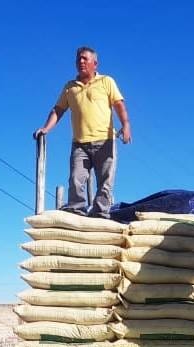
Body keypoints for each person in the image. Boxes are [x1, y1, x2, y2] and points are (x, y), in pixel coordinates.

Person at [33, 46, 131, 219]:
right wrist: (46, 128)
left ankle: (100, 213)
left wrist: (126, 125)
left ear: (95, 63)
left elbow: (119, 104)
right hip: (80, 144)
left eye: (85, 58)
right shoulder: (70, 87)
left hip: (105, 140)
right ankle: (76, 210)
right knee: (76, 180)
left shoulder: (106, 81)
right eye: (78, 59)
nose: (81, 61)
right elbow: (58, 109)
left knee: (105, 183)